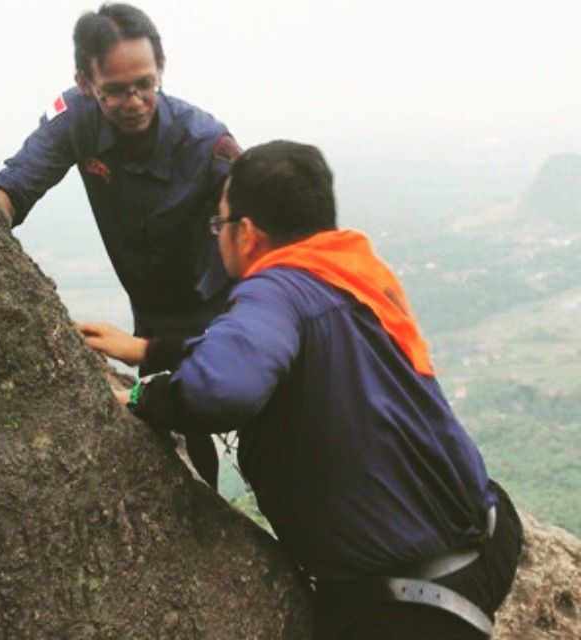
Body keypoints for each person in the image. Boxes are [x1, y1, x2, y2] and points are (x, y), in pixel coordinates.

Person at [80, 140, 522, 639]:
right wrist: (150, 351)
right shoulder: (351, 269)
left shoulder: (273, 289)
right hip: (487, 536)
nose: (218, 234)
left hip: (407, 601)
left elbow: (222, 389)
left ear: (245, 233)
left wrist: (143, 398)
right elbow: (278, 343)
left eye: (219, 223)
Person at [0, 2, 241, 487]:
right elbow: (18, 182)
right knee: (182, 448)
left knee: (259, 435)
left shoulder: (207, 143)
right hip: (150, 313)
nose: (135, 101)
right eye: (116, 91)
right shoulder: (76, 117)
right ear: (86, 82)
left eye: (145, 84)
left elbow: (264, 225)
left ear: (161, 69)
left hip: (219, 312)